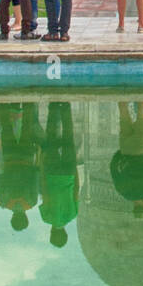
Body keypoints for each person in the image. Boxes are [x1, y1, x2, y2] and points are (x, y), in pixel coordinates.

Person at [39, 102, 80, 248]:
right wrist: (42, 168)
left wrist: (74, 170)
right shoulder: (47, 217)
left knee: (68, 137)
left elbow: (76, 191)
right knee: (51, 138)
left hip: (68, 174)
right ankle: (54, 108)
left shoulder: (72, 215)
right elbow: (45, 193)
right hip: (52, 173)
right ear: (51, 233)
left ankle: (66, 108)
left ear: (65, 233)